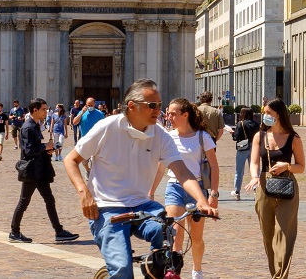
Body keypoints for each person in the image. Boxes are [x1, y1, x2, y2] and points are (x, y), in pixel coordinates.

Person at [63, 79, 218, 279]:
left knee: (165, 242)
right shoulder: (107, 127)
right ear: (131, 106)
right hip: (107, 207)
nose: (158, 111)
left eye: (160, 105)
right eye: (152, 106)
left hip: (143, 205)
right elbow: (71, 160)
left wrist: (202, 200)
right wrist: (84, 194)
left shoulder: (160, 135)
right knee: (122, 269)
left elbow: (182, 171)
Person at [153, 98, 219, 279]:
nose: (168, 117)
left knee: (196, 238)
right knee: (175, 234)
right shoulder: (168, 137)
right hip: (174, 186)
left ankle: (197, 270)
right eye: (168, 113)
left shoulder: (202, 137)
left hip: (197, 189)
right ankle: (175, 272)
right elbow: (161, 167)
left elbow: (214, 166)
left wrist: (213, 194)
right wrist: (150, 192)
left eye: (173, 113)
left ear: (185, 115)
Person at [243, 99, 305, 279]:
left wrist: (287, 166)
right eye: (264, 112)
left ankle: (281, 276)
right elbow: (254, 162)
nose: (265, 116)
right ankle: (274, 274)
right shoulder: (259, 136)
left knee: (285, 235)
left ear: (279, 114)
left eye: (269, 112)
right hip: (264, 186)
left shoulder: (294, 138)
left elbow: (301, 167)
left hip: (287, 187)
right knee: (268, 236)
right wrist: (254, 176)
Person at [9, 97, 79, 244]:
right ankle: (14, 232)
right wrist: (45, 147)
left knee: (49, 200)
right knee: (24, 202)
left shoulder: (35, 125)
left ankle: (59, 231)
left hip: (39, 170)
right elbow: (28, 150)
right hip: (32, 171)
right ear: (35, 110)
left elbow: (36, 147)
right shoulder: (28, 127)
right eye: (44, 109)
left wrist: (47, 150)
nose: (46, 112)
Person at [229, 106, 258, 200]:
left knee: (239, 170)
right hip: (254, 148)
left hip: (242, 148)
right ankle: (256, 190)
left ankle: (237, 191)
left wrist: (232, 133)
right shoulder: (256, 124)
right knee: (255, 169)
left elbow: (236, 137)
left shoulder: (240, 124)